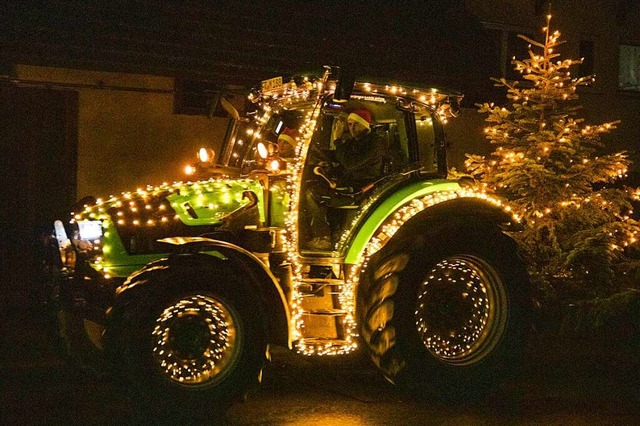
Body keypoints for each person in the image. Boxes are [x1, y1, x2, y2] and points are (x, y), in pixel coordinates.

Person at [304, 108, 385, 250]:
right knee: (310, 184)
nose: (351, 127)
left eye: (355, 124)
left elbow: (350, 163)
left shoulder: (373, 143)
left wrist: (337, 139)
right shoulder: (354, 142)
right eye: (350, 124)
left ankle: (323, 237)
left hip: (359, 190)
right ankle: (333, 233)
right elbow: (339, 158)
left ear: (364, 125)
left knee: (312, 194)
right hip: (348, 184)